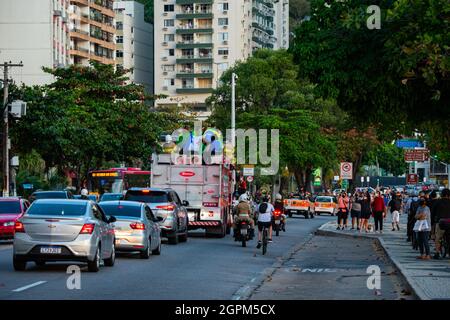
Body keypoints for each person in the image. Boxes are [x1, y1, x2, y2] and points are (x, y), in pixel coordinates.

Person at [432, 188, 450, 259]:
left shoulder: (437, 202)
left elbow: (433, 213)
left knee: (438, 238)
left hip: (440, 223)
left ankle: (437, 252)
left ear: (442, 194)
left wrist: (433, 222)